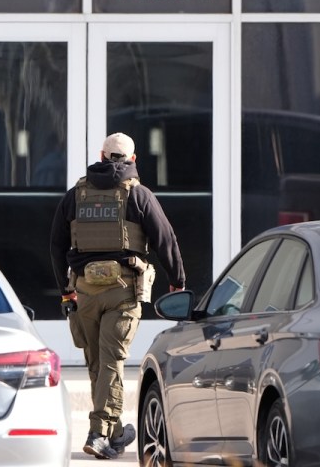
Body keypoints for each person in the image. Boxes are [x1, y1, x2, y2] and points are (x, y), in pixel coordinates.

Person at [50, 132, 186, 460]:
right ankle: (98, 433)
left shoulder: (75, 196)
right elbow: (165, 239)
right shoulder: (139, 195)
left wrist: (66, 288)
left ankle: (112, 434)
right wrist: (177, 283)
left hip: (84, 291)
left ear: (101, 155)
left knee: (98, 363)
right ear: (133, 160)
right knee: (111, 361)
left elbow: (56, 244)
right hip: (123, 292)